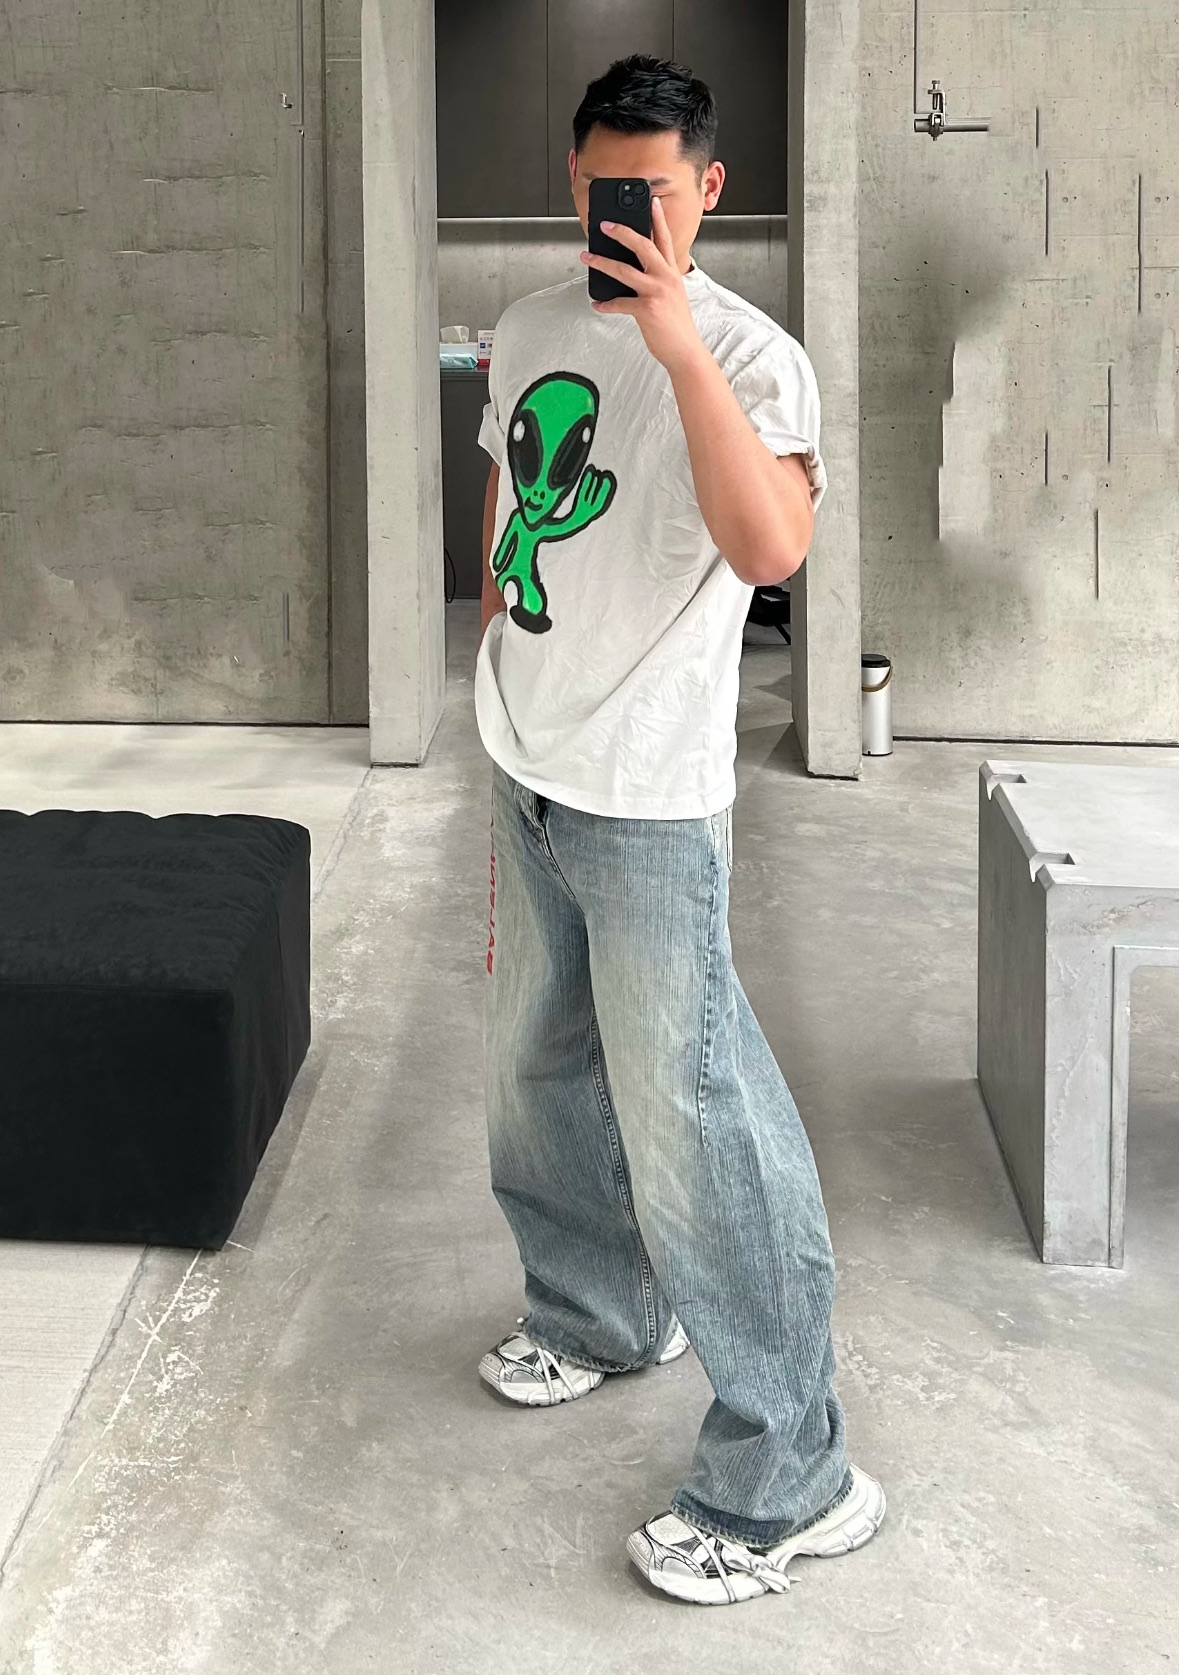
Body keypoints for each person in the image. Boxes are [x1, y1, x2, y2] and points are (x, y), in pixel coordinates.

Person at [472, 54, 885, 1607]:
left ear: (707, 189)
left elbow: (771, 548)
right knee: (535, 1073)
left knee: (698, 1127)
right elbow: (517, 519)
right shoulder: (525, 328)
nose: (620, 216)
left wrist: (670, 343)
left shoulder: (752, 356)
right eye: (599, 191)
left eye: (649, 192)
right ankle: (597, 1313)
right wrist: (503, 669)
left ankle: (794, 1478)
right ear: (572, 182)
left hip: (650, 793)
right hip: (527, 762)